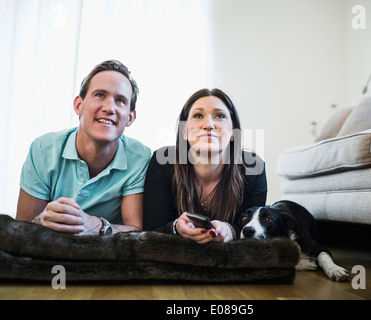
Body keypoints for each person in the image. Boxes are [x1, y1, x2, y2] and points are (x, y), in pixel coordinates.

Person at [16, 60, 151, 236]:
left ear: (130, 118)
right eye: (100, 95)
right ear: (79, 106)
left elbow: (136, 231)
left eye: (120, 100)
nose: (109, 108)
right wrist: (41, 221)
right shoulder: (42, 150)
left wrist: (94, 225)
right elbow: (21, 230)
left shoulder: (140, 158)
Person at [143, 88, 267, 244]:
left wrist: (231, 230)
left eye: (220, 116)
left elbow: (254, 230)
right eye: (198, 115)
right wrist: (176, 228)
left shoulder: (253, 168)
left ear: (234, 132)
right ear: (184, 131)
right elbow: (150, 232)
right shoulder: (163, 162)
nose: (209, 124)